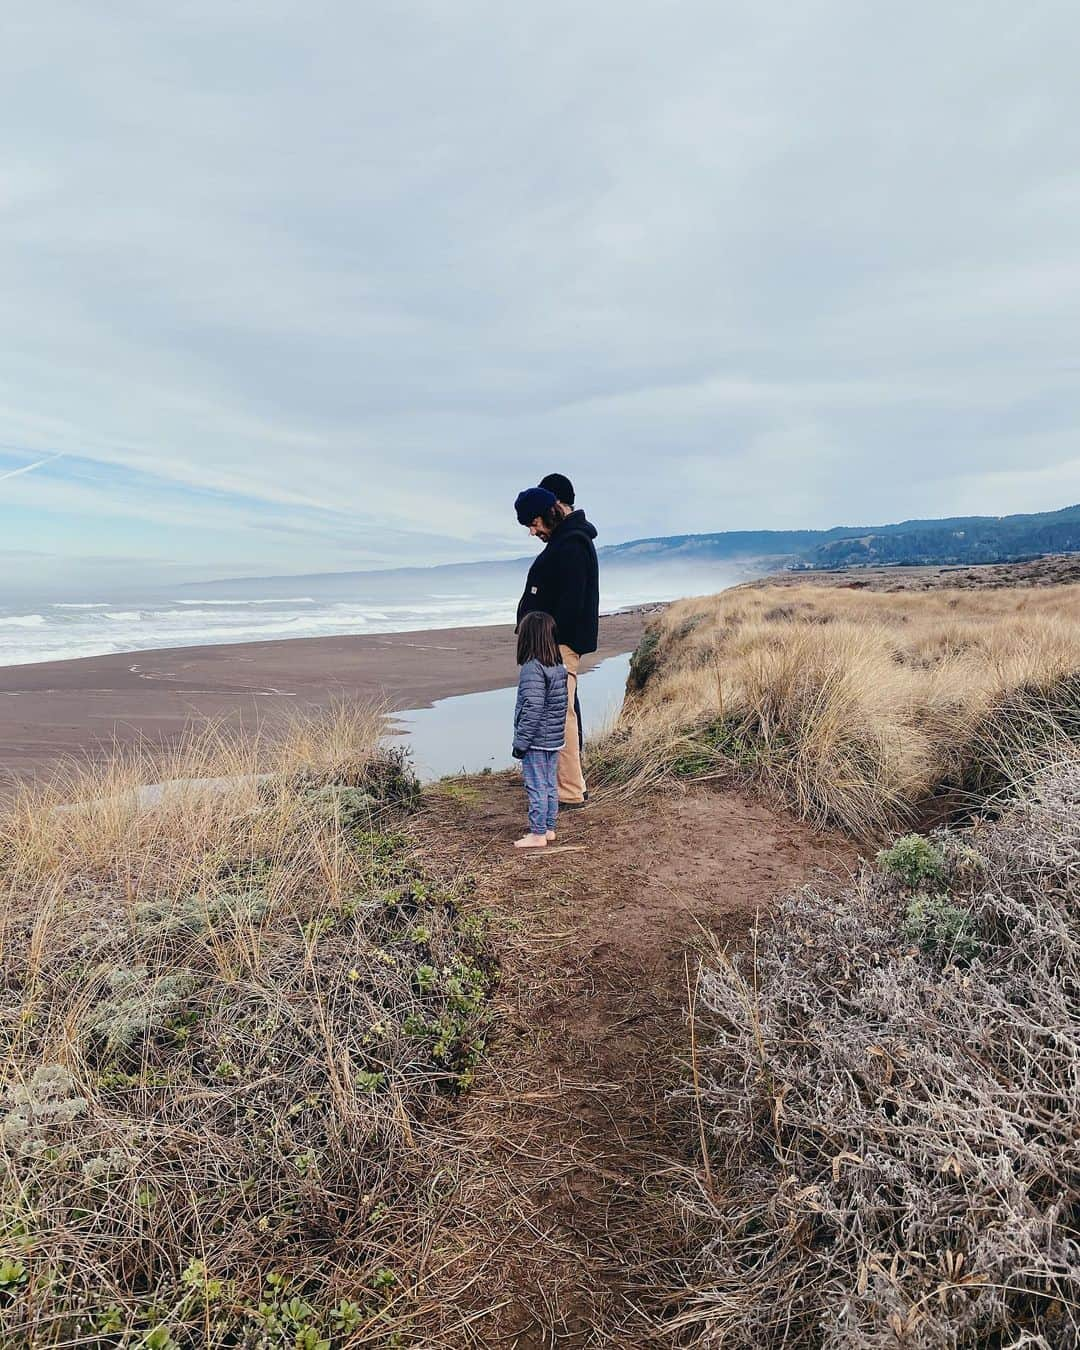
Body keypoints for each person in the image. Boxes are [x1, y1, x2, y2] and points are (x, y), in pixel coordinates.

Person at [513, 477, 599, 807]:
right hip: (551, 646)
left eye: (533, 523)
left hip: (557, 648)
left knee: (558, 719)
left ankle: (569, 790)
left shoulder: (572, 544)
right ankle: (565, 786)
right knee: (562, 715)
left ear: (552, 511)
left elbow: (571, 604)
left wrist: (547, 640)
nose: (533, 532)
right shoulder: (565, 541)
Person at [511, 611, 569, 850]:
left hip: (536, 740)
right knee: (549, 784)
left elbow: (532, 708)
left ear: (528, 638)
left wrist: (521, 742)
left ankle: (537, 834)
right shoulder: (558, 667)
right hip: (554, 738)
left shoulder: (532, 669)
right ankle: (548, 827)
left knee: (536, 785)